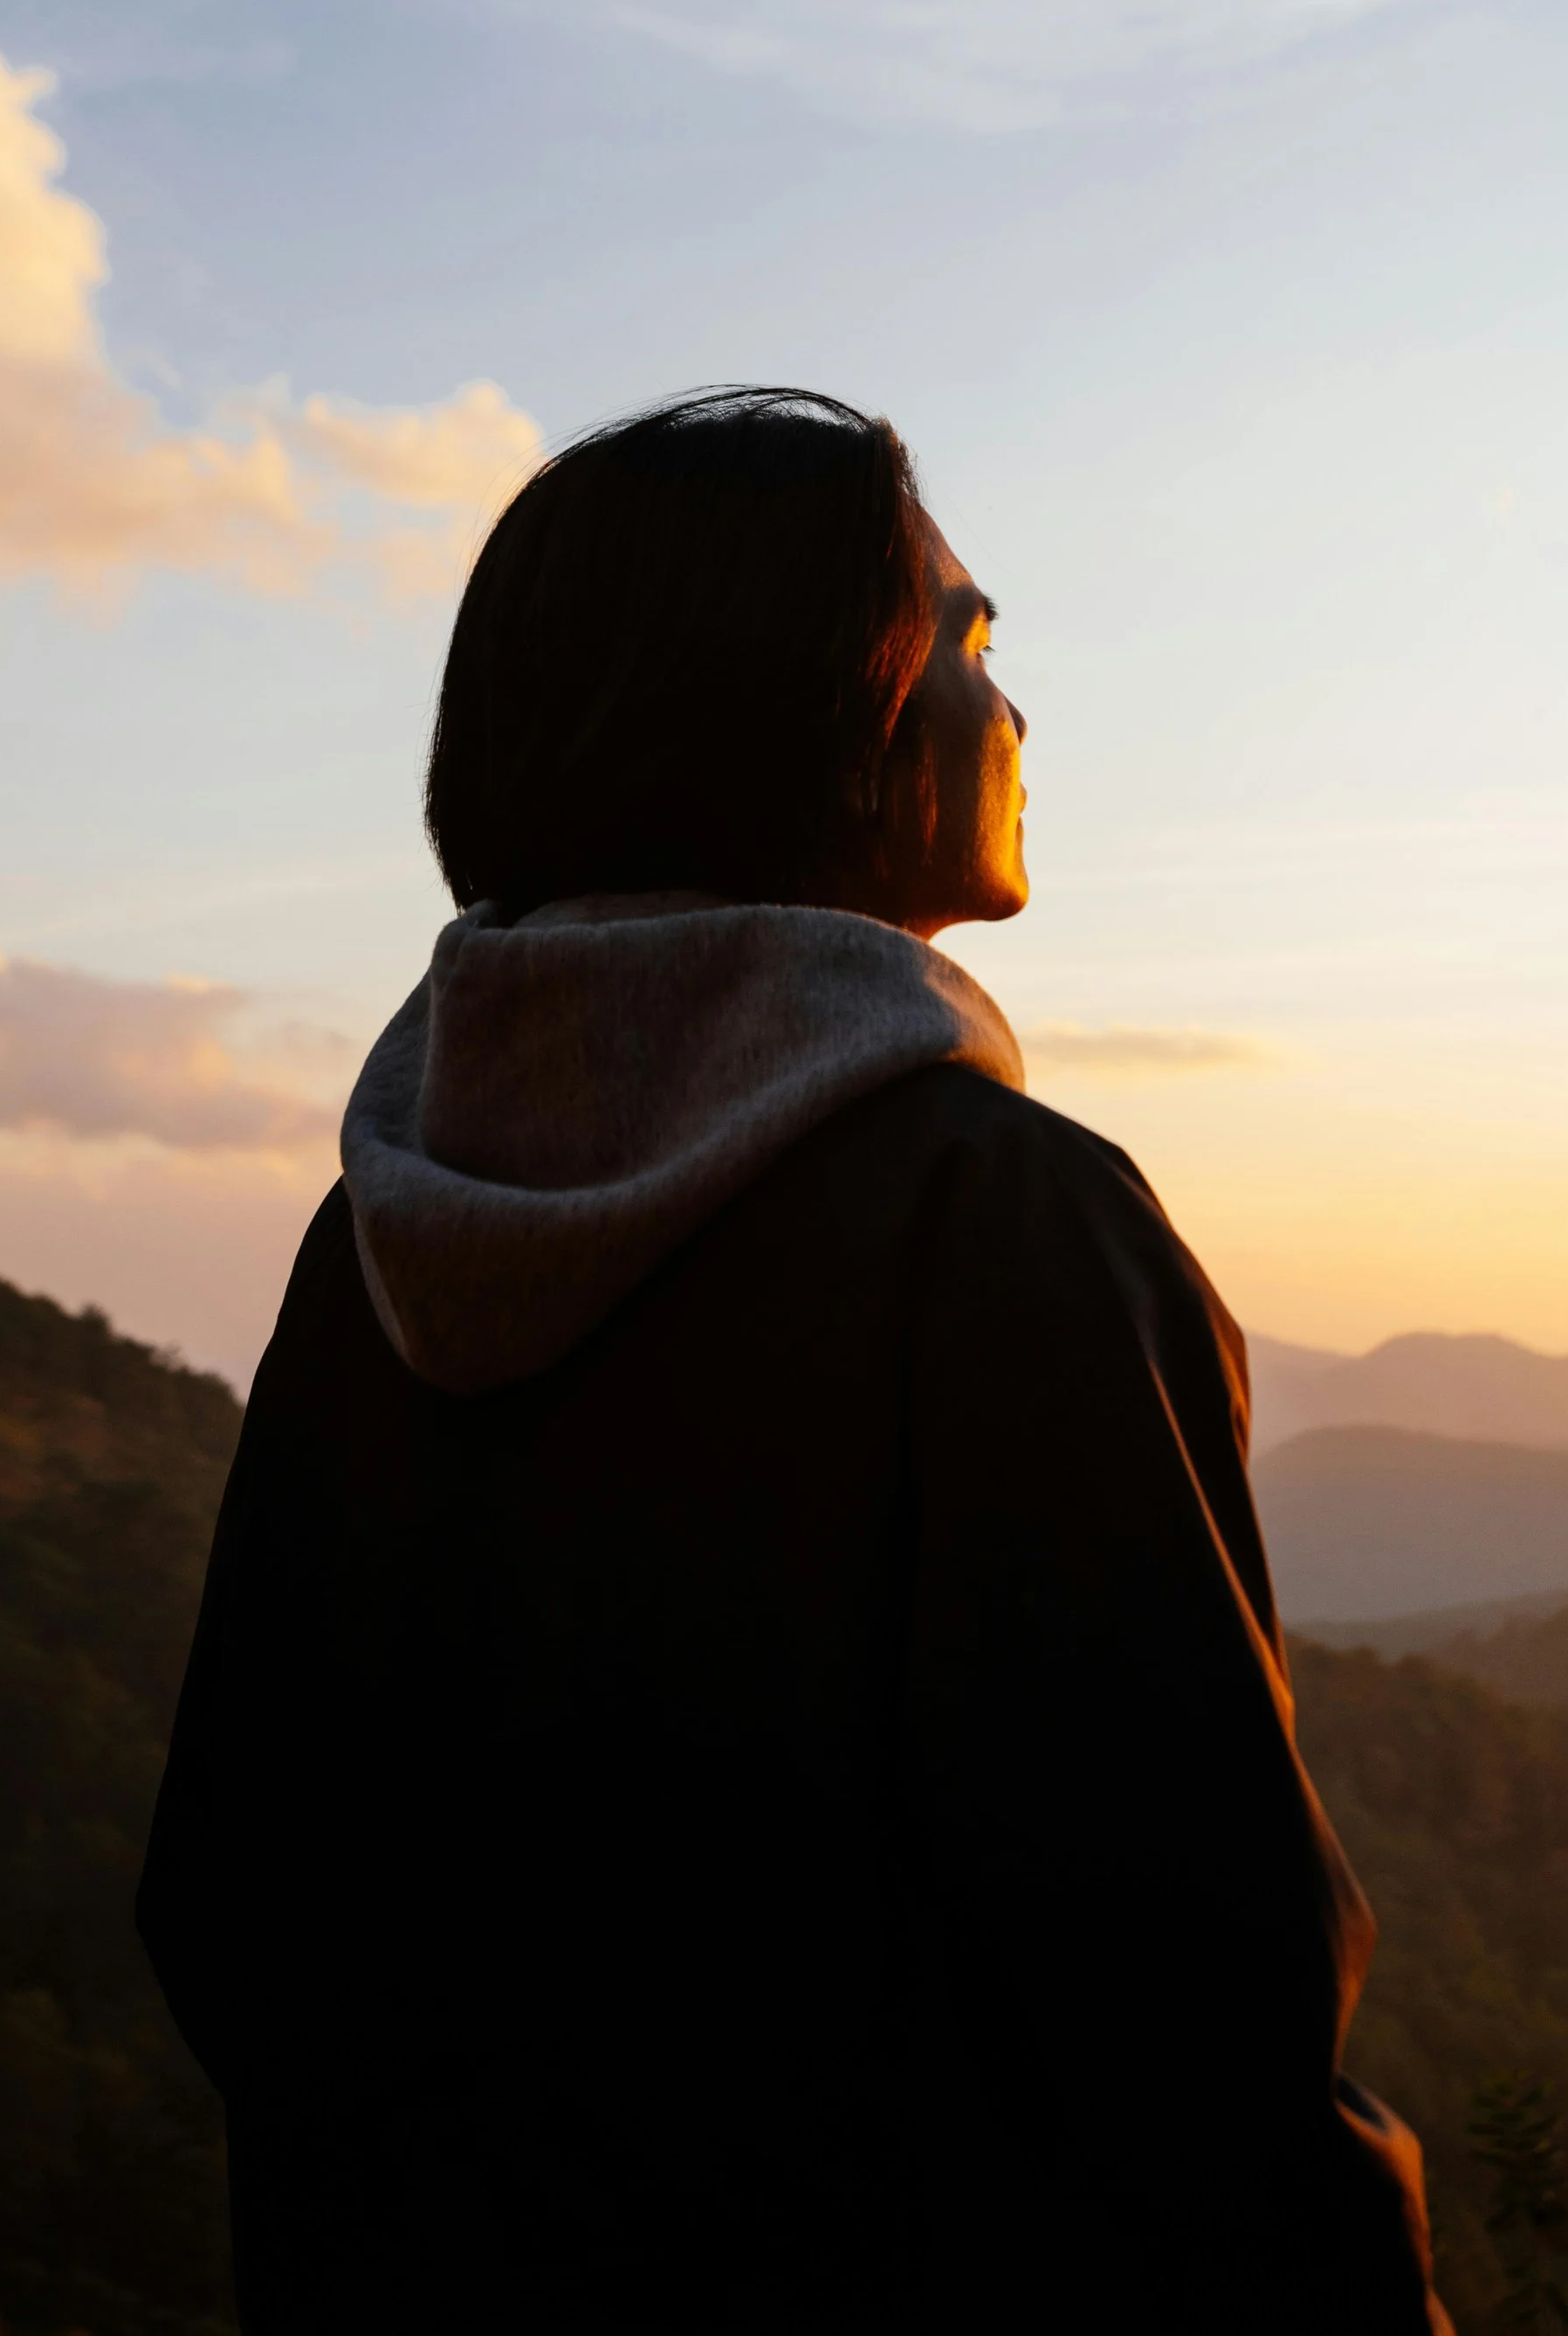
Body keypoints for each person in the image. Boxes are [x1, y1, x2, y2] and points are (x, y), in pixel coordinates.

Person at [139, 387, 1450, 2333]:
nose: (1013, 713)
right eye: (973, 642)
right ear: (820, 704)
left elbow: (232, 1893)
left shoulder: (379, 1241)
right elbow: (1189, 2018)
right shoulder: (994, 1223)